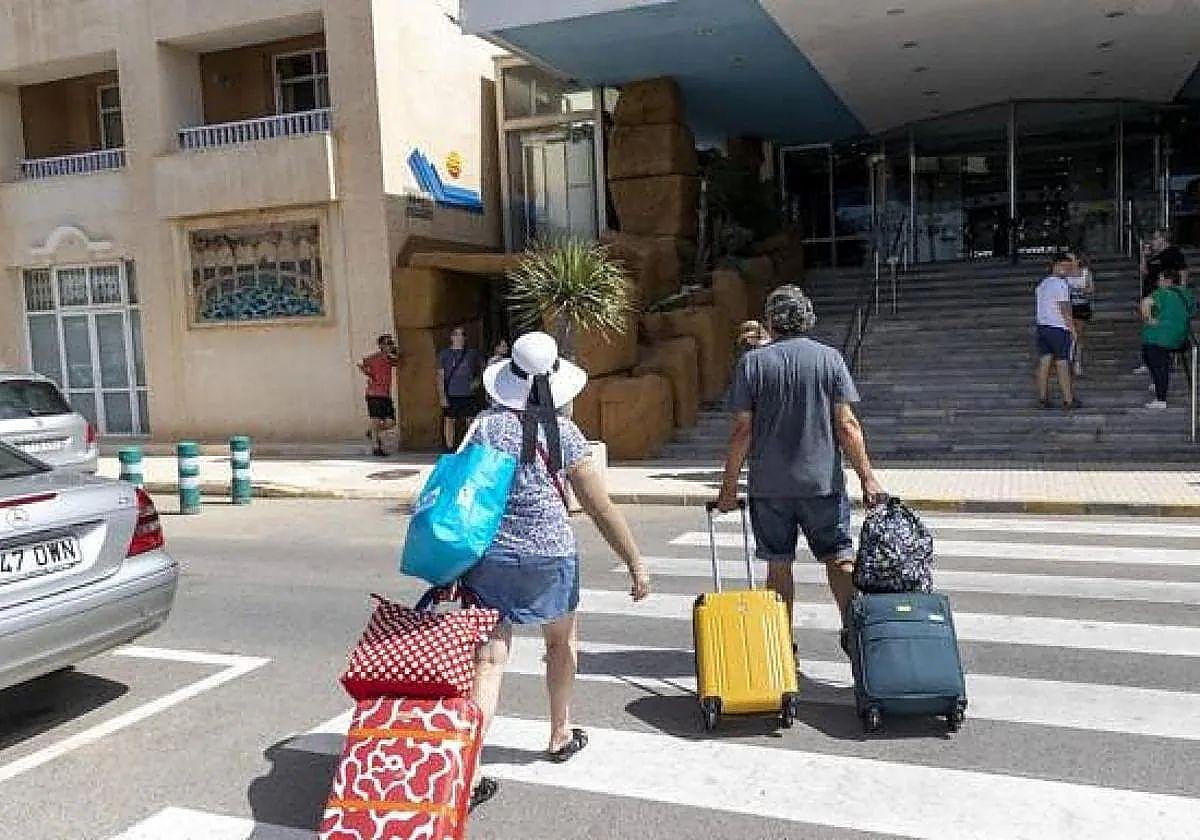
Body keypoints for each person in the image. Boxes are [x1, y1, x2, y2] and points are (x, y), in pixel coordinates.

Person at [465, 331, 651, 810]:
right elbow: (600, 507)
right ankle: (558, 734)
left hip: (492, 555)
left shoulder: (483, 428)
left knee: (489, 661)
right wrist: (634, 561)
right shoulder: (565, 435)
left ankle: (470, 767)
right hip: (551, 555)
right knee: (560, 642)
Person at [715, 286, 886, 655]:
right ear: (807, 318)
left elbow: (742, 430)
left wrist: (728, 488)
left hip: (770, 488)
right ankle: (858, 638)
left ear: (771, 320)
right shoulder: (829, 359)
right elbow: (847, 425)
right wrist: (867, 477)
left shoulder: (753, 364)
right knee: (840, 558)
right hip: (823, 483)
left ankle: (779, 645)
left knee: (778, 567)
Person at [1139, 270, 1197, 409]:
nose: (1158, 283)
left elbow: (1145, 303)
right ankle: (1159, 382)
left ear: (1168, 281)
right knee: (1158, 361)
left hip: (1158, 336)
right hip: (1180, 337)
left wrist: (1149, 319)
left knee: (1155, 362)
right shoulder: (1186, 294)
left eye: (1160, 279)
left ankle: (1161, 398)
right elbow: (1192, 312)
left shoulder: (1163, 293)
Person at [1035, 253, 1079, 410]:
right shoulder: (1060, 284)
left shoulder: (1042, 284)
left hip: (1043, 327)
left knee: (1044, 362)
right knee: (1062, 363)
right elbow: (1065, 308)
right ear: (1057, 266)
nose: (1067, 270)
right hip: (1058, 327)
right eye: (1065, 267)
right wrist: (1072, 328)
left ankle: (1042, 397)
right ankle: (1068, 399)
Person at [437, 326, 482, 451]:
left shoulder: (472, 353)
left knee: (471, 420)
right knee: (449, 420)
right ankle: (449, 447)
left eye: (462, 334)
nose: (459, 337)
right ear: (451, 337)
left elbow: (481, 370)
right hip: (451, 392)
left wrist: (477, 382)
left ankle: (469, 446)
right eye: (456, 334)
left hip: (468, 393)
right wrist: (442, 396)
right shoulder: (444, 354)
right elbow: (440, 376)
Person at [358, 334, 401, 457]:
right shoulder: (374, 357)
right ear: (381, 345)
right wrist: (369, 374)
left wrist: (395, 352)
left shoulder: (390, 358)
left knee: (390, 422)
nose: (390, 345)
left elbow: (398, 362)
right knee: (375, 419)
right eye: (388, 343)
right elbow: (360, 362)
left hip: (385, 394)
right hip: (374, 393)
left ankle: (372, 432)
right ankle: (376, 447)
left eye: (391, 343)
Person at [1067, 253, 1094, 378]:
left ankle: (1077, 361)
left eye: (1072, 259)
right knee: (1069, 333)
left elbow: (1091, 289)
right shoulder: (1065, 273)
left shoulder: (1085, 272)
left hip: (1082, 306)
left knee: (1079, 333)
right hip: (1068, 306)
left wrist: (1080, 290)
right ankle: (1068, 359)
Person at [1140, 229, 1189, 299]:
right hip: (1150, 293)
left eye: (1155, 239)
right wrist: (1144, 256)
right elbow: (1144, 272)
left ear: (1162, 239)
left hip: (1164, 294)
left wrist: (1182, 291)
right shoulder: (1154, 255)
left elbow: (1183, 271)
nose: (1152, 242)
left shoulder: (1173, 252)